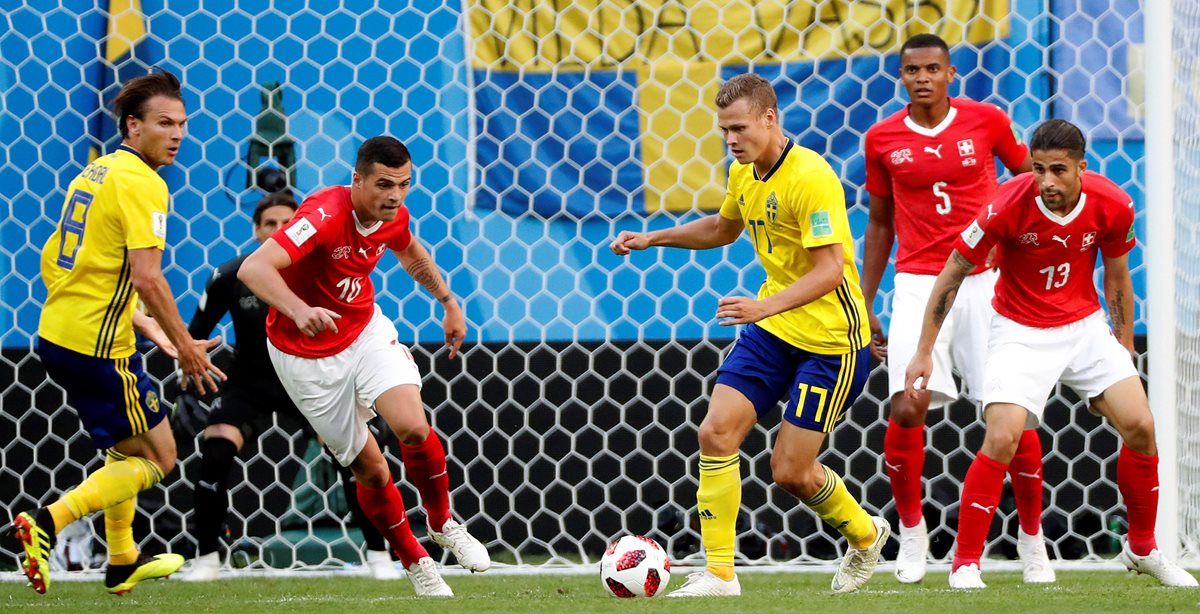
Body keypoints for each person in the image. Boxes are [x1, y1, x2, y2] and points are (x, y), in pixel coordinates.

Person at [611, 73, 888, 596]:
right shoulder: (743, 172)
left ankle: (866, 535)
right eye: (724, 130)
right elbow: (723, 228)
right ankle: (720, 573)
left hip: (831, 344)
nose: (731, 139)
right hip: (773, 330)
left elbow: (831, 270)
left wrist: (761, 306)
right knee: (715, 433)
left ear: (769, 117)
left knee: (790, 472)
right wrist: (653, 237)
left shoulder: (812, 177)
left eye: (739, 128)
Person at [905, 118, 1199, 589]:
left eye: (1058, 170)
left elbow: (1117, 276)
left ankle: (1143, 548)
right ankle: (965, 563)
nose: (1046, 181)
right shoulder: (1004, 206)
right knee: (1002, 436)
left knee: (1142, 426)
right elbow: (952, 273)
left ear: (1082, 167)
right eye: (1038, 169)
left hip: (1084, 329)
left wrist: (1123, 345)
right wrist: (924, 351)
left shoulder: (1113, 203)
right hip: (1018, 331)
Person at [237, 136, 490, 597]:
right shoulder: (324, 215)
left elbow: (410, 251)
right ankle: (415, 561)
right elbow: (254, 269)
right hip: (305, 357)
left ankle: (442, 524)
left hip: (363, 331)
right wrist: (299, 310)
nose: (395, 195)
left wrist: (448, 301)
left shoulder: (393, 215)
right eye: (384, 184)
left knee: (412, 426)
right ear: (357, 179)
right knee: (372, 470)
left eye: (404, 184)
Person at [8, 69, 226, 595]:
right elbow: (148, 278)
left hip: (61, 332)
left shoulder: (96, 172)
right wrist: (187, 350)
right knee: (160, 457)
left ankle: (123, 558)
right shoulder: (144, 183)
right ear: (133, 126)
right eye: (164, 123)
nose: (177, 134)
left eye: (182, 124)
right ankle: (48, 521)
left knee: (127, 448)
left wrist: (151, 327)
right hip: (97, 347)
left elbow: (70, 265)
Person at [860, 33, 1051, 584]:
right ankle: (912, 535)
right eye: (912, 70)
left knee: (1011, 412)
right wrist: (865, 302)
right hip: (919, 282)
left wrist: (1017, 253)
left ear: (950, 74)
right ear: (900, 76)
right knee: (906, 407)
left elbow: (1031, 183)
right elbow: (879, 222)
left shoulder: (987, 121)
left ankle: (1032, 540)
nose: (922, 78)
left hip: (985, 282)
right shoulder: (881, 138)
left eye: (932, 69)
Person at [176, 191, 399, 581]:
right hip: (250, 381)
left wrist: (361, 390)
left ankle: (380, 555)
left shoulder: (325, 270)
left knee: (355, 459)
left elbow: (357, 326)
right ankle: (207, 559)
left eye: (287, 222)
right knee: (215, 453)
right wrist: (187, 388)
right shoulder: (232, 276)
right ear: (256, 230)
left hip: (310, 378)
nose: (279, 229)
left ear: (302, 226)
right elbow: (194, 336)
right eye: (270, 224)